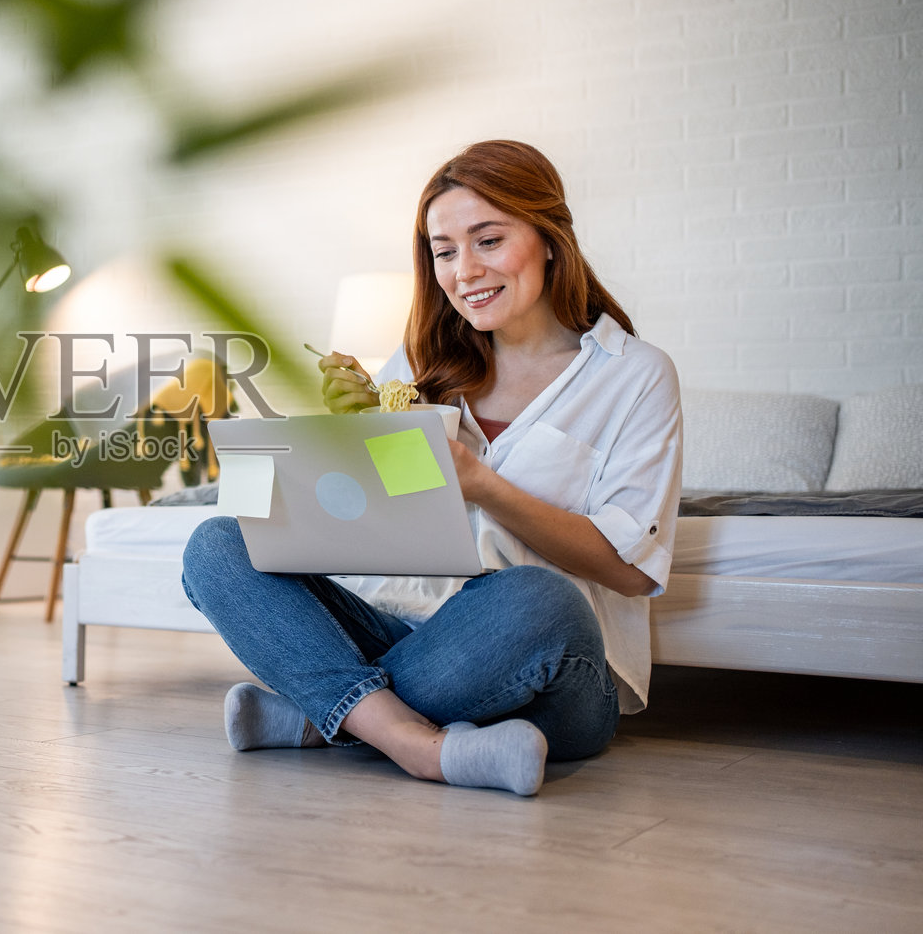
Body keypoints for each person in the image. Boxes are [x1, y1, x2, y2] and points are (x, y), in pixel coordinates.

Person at [180, 140, 683, 796]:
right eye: (444, 251)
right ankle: (415, 743)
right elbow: (370, 523)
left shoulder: (635, 376)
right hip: (412, 627)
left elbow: (633, 567)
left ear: (551, 238)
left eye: (489, 240)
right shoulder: (419, 367)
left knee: (536, 595)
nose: (465, 270)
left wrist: (480, 484)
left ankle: (326, 711)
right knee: (217, 543)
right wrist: (349, 436)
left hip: (547, 659)